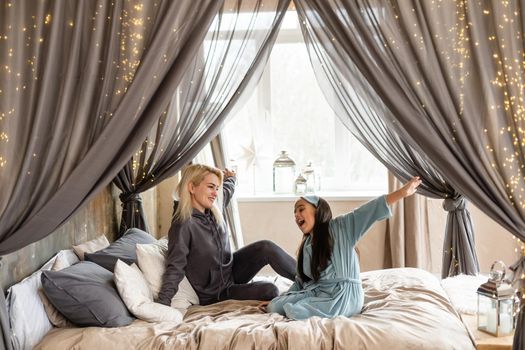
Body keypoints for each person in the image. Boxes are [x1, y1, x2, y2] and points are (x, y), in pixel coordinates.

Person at [267, 176, 422, 320]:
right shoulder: (306, 245)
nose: (296, 215)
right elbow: (301, 282)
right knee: (274, 306)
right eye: (294, 212)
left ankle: (304, 308)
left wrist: (402, 192)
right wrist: (282, 298)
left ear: (318, 210)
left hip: (343, 295)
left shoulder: (340, 228)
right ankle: (295, 305)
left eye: (301, 209)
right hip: (318, 293)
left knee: (295, 310)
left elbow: (369, 210)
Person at [157, 164, 296, 306]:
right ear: (192, 188)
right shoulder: (183, 225)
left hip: (231, 272)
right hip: (216, 293)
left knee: (265, 247)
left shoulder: (214, 208)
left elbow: (227, 190)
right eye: (211, 187)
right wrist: (163, 303)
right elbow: (175, 267)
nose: (215, 193)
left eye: (217, 188)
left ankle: (311, 281)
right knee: (270, 290)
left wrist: (231, 178)